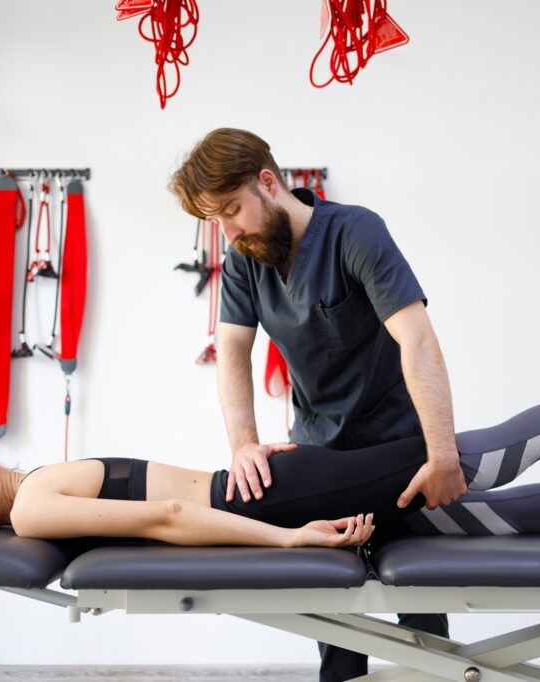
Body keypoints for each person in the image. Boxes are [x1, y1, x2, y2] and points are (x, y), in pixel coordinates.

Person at [170, 128, 467, 679]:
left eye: (232, 210)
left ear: (268, 183)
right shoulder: (245, 262)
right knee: (335, 619)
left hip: (398, 452)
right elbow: (232, 351)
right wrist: (243, 447)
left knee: (424, 618)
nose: (229, 232)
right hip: (320, 455)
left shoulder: (355, 231)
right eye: (216, 221)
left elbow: (418, 338)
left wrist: (442, 454)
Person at [0, 376, 540, 547]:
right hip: (270, 497)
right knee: (469, 518)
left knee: (481, 460)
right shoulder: (39, 494)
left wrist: (288, 543)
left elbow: (165, 517)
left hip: (268, 504)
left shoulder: (31, 506)